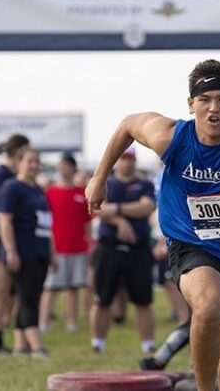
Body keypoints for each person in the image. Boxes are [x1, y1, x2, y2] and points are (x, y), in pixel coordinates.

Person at [86, 59, 220, 391]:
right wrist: (99, 177)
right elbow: (129, 125)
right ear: (191, 104)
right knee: (207, 305)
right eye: (205, 100)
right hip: (191, 243)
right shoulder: (172, 136)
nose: (213, 108)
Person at [89, 149, 158, 353]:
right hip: (109, 247)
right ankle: (97, 343)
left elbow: (146, 207)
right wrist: (122, 222)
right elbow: (97, 209)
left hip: (137, 249)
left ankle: (148, 344)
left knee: (143, 300)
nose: (126, 163)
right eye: (123, 159)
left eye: (130, 159)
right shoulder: (105, 183)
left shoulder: (144, 184)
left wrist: (116, 210)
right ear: (116, 161)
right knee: (102, 299)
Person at [0, 146, 54, 358]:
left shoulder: (37, 189)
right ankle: (36, 346)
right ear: (19, 162)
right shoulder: (11, 187)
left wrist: (52, 252)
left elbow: (47, 223)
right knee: (28, 297)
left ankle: (20, 346)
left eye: (37, 161)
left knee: (30, 296)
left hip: (40, 249)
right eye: (30, 161)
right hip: (23, 250)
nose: (34, 166)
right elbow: (4, 220)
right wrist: (11, 251)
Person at [0, 133, 29, 353]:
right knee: (0, 289)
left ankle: (18, 337)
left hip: (15, 234)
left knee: (12, 291)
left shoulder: (17, 175)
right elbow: (1, 210)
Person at [41, 152, 92, 333]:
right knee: (50, 287)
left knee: (74, 288)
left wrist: (89, 244)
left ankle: (71, 323)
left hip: (78, 247)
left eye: (65, 165)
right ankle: (43, 323)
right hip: (57, 247)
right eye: (60, 165)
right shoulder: (50, 193)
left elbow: (87, 222)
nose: (62, 168)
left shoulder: (81, 193)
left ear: (72, 168)